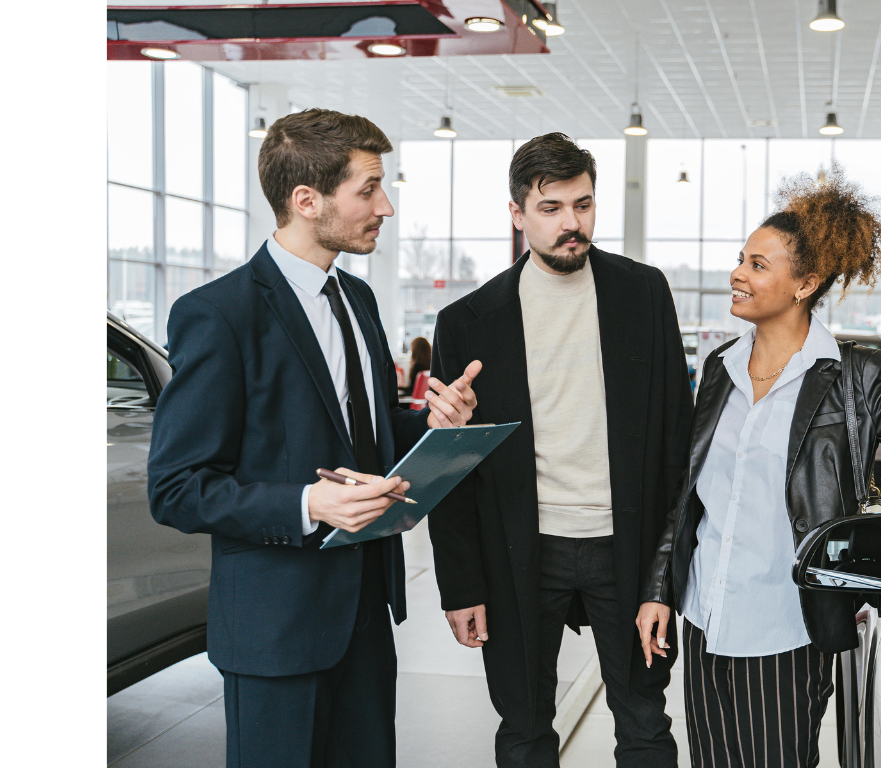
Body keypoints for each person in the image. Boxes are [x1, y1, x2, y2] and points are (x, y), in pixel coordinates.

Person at [635, 163, 881, 768]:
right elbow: (689, 496)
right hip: (707, 617)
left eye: (757, 265)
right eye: (740, 259)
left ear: (805, 284)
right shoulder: (720, 369)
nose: (737, 274)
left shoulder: (853, 374)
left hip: (785, 624)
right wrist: (660, 589)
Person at [147, 108, 481, 768]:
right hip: (275, 629)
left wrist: (434, 423)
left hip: (365, 615)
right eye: (368, 190)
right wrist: (307, 504)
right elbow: (177, 488)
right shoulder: (219, 314)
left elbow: (367, 439)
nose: (385, 207)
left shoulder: (357, 300)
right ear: (307, 200)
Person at [427, 133, 692, 767]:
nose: (571, 223)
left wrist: (668, 575)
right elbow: (451, 467)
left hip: (625, 546)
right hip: (521, 549)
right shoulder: (466, 321)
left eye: (583, 204)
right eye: (550, 208)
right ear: (517, 214)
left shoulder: (644, 293)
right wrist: (460, 586)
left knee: (644, 719)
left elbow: (676, 441)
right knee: (523, 727)